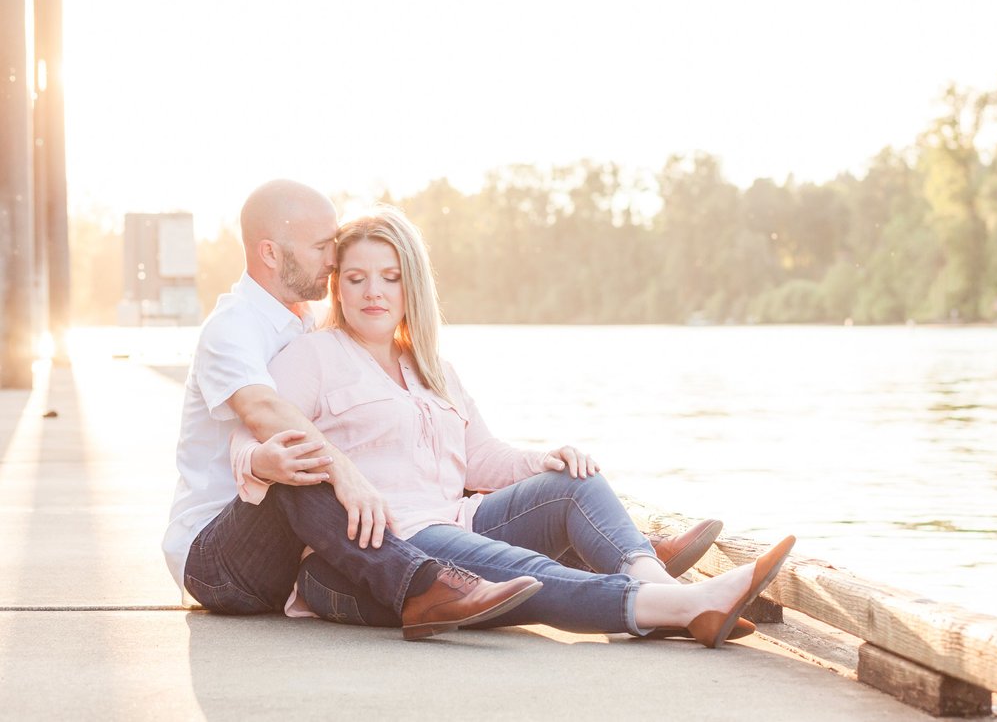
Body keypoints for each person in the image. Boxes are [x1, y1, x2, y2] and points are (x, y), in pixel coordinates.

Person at [233, 204, 795, 647]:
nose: (373, 292)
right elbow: (253, 433)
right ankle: (687, 608)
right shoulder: (313, 356)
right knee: (530, 570)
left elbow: (481, 458)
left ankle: (670, 594)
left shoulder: (433, 369)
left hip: (459, 519)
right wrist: (264, 462)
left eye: (389, 277)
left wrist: (543, 459)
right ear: (338, 287)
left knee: (575, 484)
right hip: (391, 549)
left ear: (412, 287)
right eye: (355, 278)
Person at [162, 180, 544, 640]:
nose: (333, 259)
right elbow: (262, 410)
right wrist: (346, 471)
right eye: (323, 246)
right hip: (218, 559)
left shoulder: (303, 321)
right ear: (270, 253)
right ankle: (427, 584)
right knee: (303, 461)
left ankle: (588, 552)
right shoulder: (233, 328)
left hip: (291, 553)